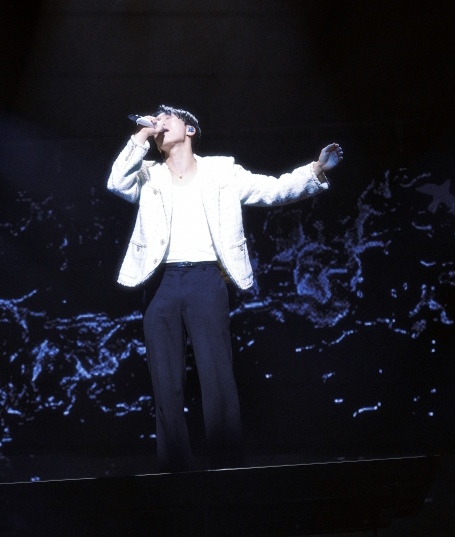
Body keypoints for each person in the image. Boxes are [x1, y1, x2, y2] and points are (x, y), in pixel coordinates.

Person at [107, 105, 343, 472]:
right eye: (157, 119)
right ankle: (175, 469)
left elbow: (273, 189)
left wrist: (314, 170)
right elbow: (116, 183)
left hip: (205, 280)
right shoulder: (148, 174)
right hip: (160, 283)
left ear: (190, 129)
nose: (160, 122)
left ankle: (227, 467)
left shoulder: (222, 172)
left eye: (168, 118)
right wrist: (140, 137)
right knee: (165, 380)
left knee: (216, 374)